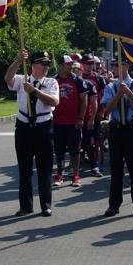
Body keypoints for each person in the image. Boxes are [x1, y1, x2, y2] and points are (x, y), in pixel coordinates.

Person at [5, 49, 59, 217]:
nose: (46, 67)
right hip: (24, 127)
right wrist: (18, 61)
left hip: (43, 127)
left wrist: (34, 91)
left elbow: (54, 101)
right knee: (25, 169)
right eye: (42, 64)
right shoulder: (22, 79)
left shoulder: (51, 82)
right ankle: (26, 206)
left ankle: (46, 205)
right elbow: (8, 79)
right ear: (33, 65)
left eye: (47, 64)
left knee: (45, 169)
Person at [101, 54, 133, 218]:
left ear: (127, 66)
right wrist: (118, 95)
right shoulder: (110, 87)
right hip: (116, 129)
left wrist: (127, 91)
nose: (115, 69)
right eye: (114, 66)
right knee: (116, 170)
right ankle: (114, 205)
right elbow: (106, 109)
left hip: (132, 129)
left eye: (119, 65)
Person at [52, 54, 88, 187]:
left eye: (71, 64)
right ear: (61, 66)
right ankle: (59, 174)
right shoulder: (53, 80)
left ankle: (76, 175)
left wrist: (81, 118)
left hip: (73, 122)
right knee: (59, 150)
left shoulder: (77, 80)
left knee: (75, 150)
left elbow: (84, 100)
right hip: (57, 122)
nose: (70, 66)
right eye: (68, 64)